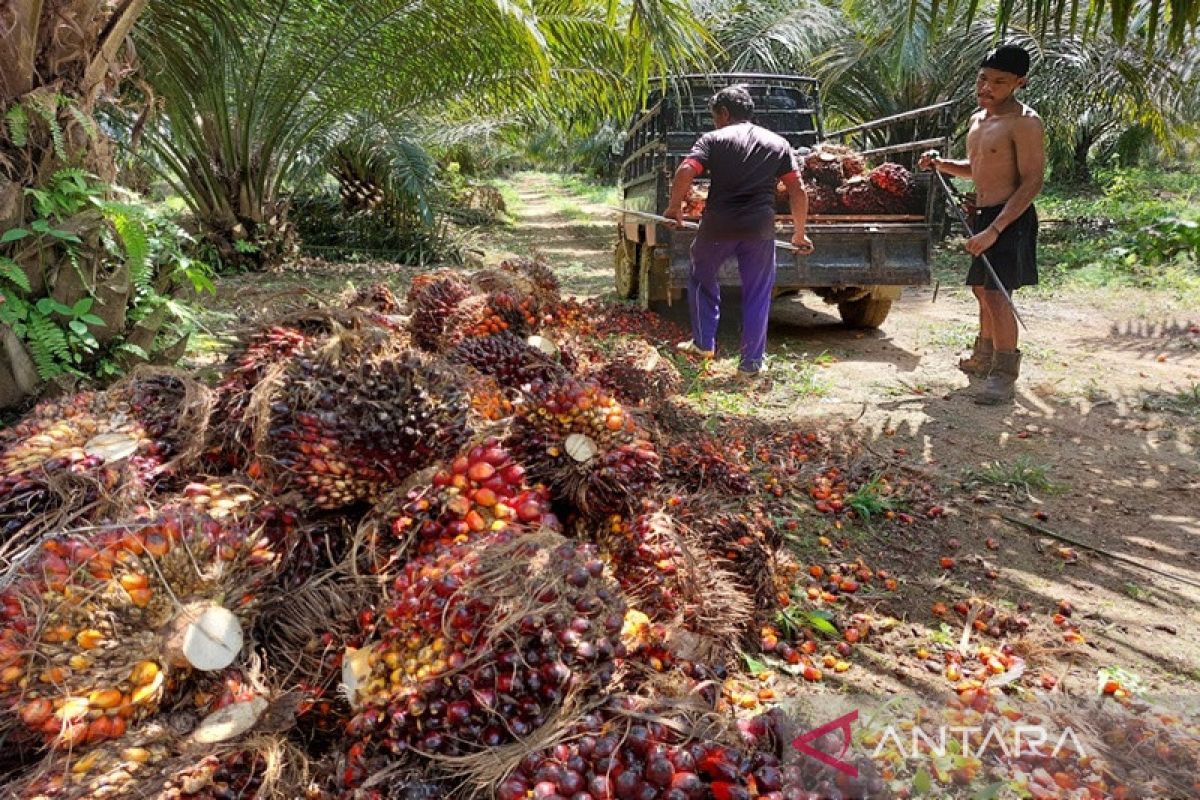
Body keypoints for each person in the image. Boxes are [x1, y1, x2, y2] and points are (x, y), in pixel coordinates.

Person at [919, 43, 1045, 404]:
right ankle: (985, 354)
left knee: (997, 294)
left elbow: (1032, 182)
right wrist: (942, 163)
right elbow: (976, 169)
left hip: (1011, 218)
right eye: (982, 79)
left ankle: (1004, 375)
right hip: (984, 214)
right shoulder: (979, 119)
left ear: (1020, 83)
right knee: (981, 290)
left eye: (998, 82)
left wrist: (996, 229)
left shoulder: (1025, 122)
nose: (986, 88)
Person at [665, 84, 814, 379]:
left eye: (715, 116)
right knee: (757, 293)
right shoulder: (777, 143)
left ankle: (704, 343)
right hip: (759, 229)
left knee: (701, 277)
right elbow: (797, 189)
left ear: (723, 112)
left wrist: (674, 207)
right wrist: (799, 233)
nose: (715, 122)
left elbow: (686, 169)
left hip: (718, 225)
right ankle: (751, 364)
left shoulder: (712, 139)